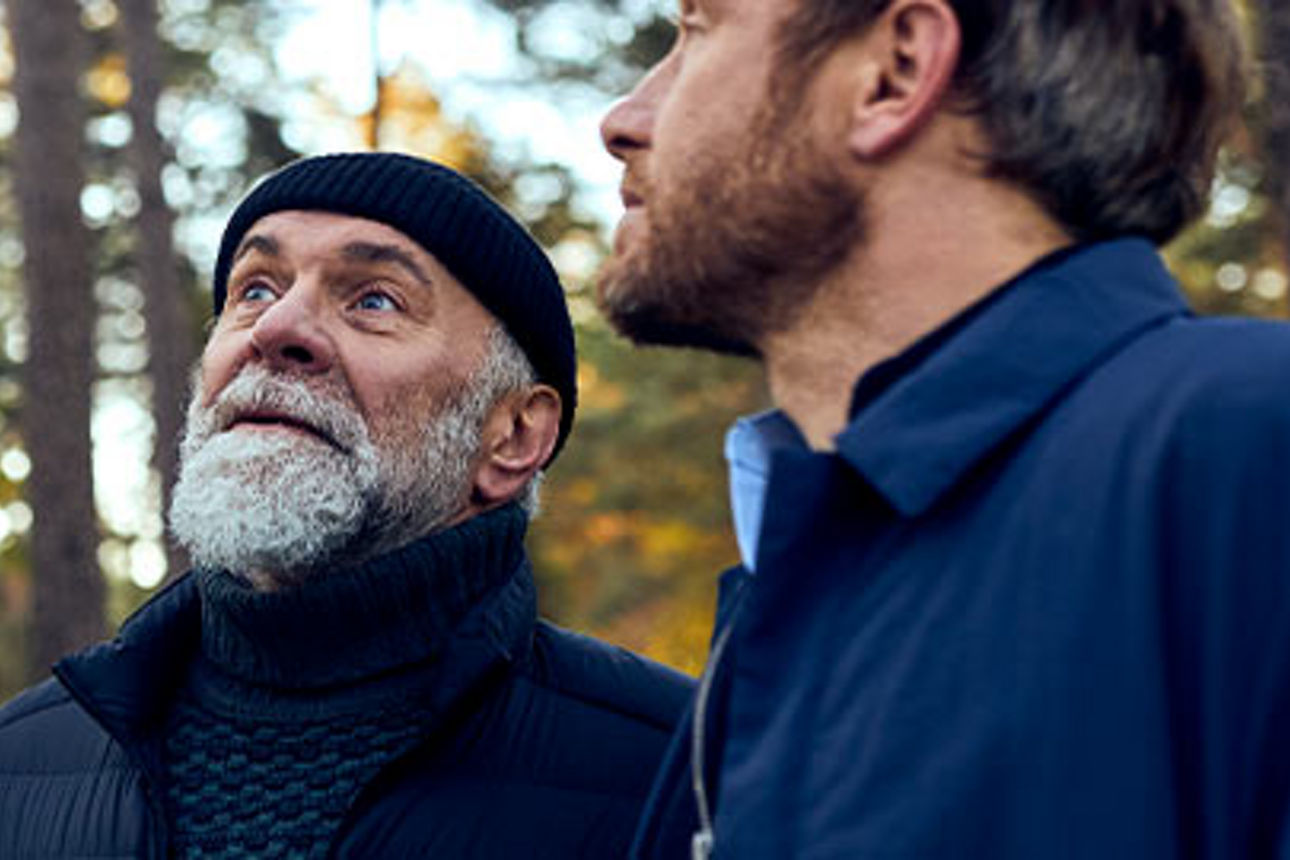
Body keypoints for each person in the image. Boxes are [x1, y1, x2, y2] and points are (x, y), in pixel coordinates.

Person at [598, 1, 1289, 857]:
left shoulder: (1248, 449)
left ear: (894, 71)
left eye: (698, 29)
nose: (622, 120)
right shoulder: (801, 568)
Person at [0, 152, 692, 859]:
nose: (275, 331)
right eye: (256, 289)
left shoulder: (683, 775)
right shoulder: (18, 765)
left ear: (512, 436)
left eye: (374, 301)